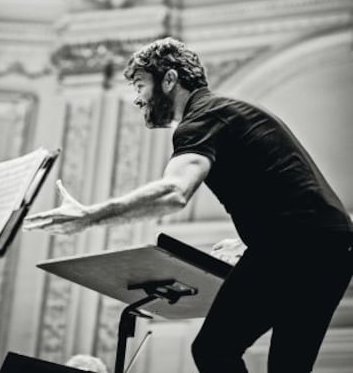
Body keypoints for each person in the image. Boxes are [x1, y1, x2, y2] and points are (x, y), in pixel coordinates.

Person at [24, 37, 353, 372]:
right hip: (335, 249)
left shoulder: (200, 120)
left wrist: (89, 216)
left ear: (169, 79)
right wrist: (250, 239)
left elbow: (174, 192)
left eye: (140, 85)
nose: (138, 99)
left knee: (213, 350)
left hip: (293, 244)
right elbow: (295, 191)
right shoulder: (231, 112)